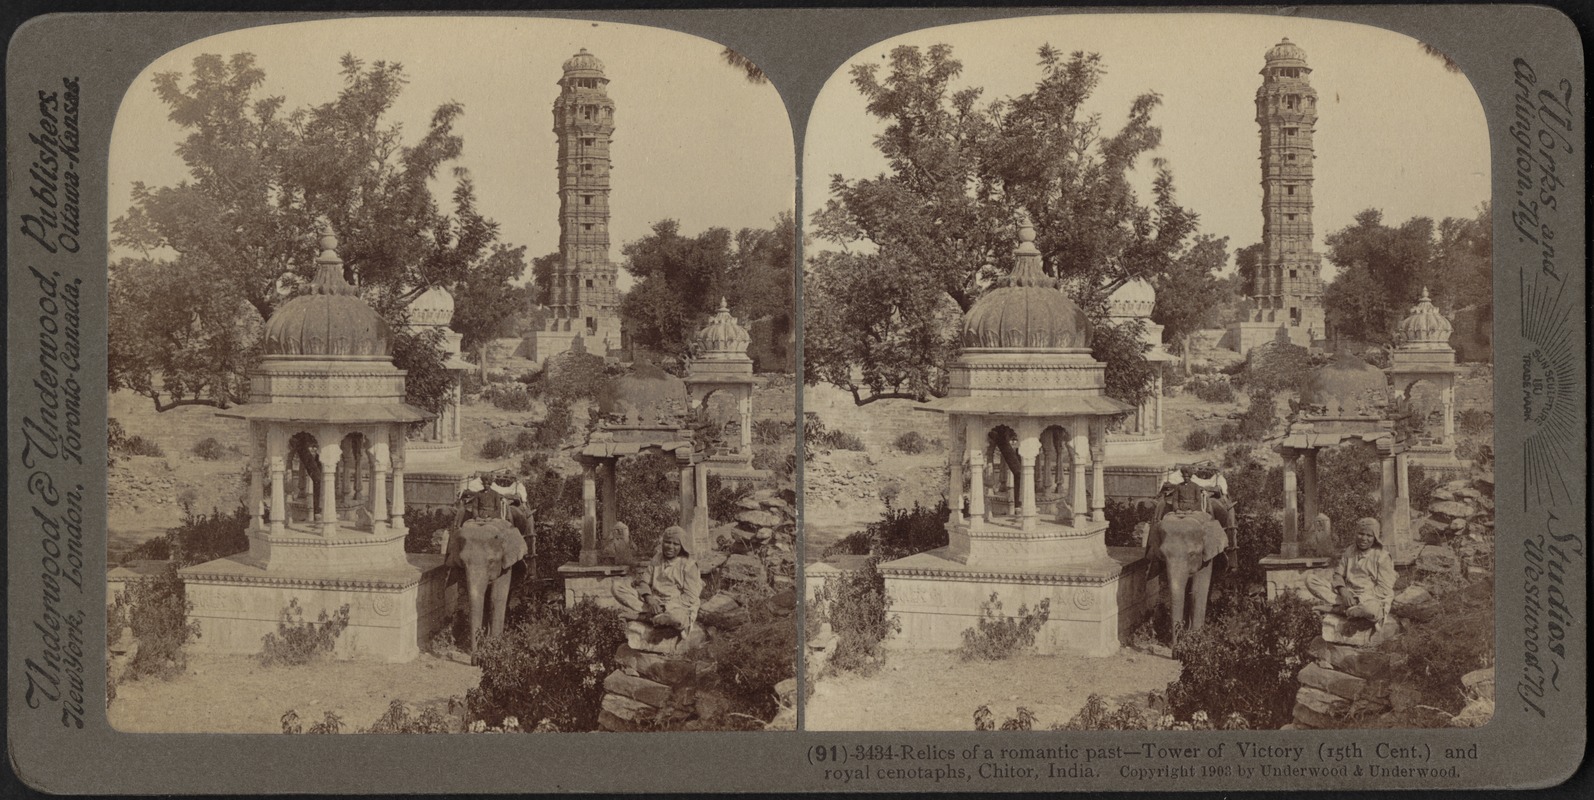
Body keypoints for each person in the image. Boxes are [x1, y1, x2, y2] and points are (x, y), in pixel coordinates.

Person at [1305, 517, 1397, 624]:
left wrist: (1358, 599)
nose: (1364, 538)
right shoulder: (1350, 551)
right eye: (1361, 534)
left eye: (1369, 535)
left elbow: (1384, 589)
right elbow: (1338, 574)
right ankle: (1346, 608)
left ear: (1375, 538)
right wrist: (1344, 592)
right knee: (1310, 580)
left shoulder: (1382, 556)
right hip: (1347, 595)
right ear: (1356, 533)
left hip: (1370, 598)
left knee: (1371, 611)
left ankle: (1338, 609)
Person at [612, 526, 702, 631]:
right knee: (617, 587)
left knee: (677, 619)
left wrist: (664, 607)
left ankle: (643, 617)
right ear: (662, 542)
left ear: (682, 546)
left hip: (677, 606)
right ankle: (654, 617)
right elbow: (644, 581)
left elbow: (690, 597)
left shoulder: (689, 565)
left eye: (676, 544)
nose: (670, 547)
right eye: (667, 542)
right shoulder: (657, 558)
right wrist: (651, 600)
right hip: (654, 602)